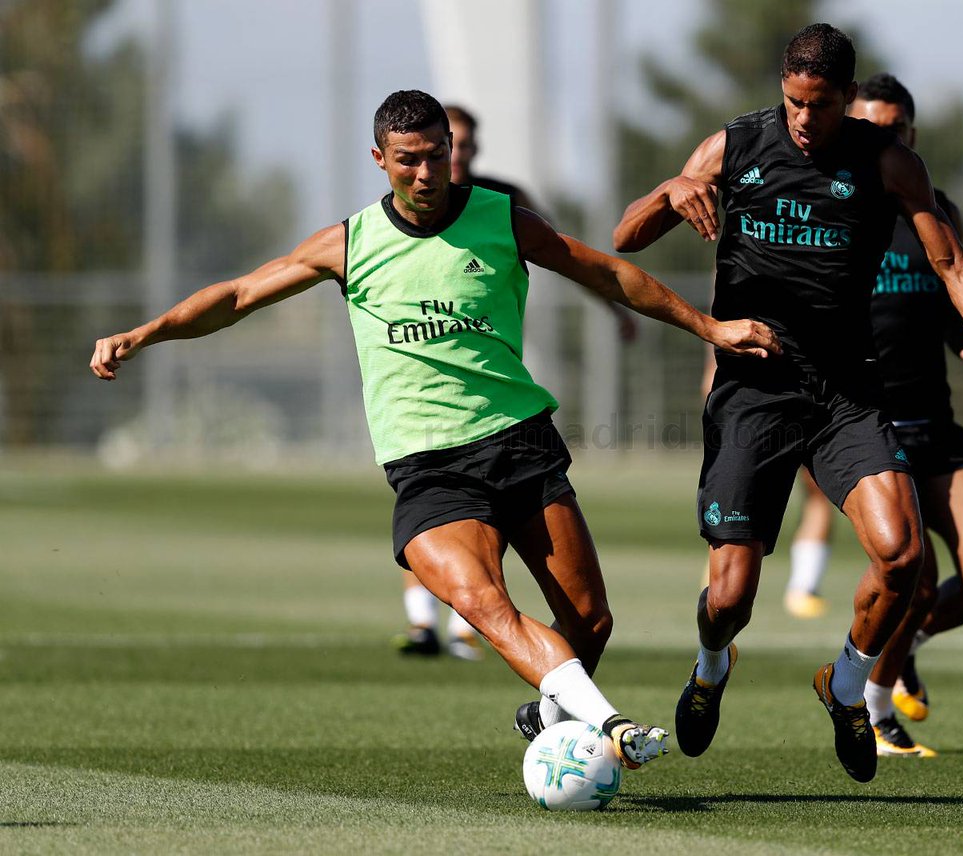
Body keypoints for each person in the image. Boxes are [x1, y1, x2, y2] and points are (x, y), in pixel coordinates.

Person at [90, 89, 782, 770]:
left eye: (437, 157)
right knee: (484, 602)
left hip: (520, 443)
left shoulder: (503, 220)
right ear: (379, 158)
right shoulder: (350, 243)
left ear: (455, 152)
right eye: (408, 160)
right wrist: (144, 334)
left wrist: (709, 326)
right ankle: (613, 726)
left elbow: (606, 272)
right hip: (427, 465)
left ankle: (549, 714)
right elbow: (238, 295)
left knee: (592, 622)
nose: (425, 175)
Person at [613, 24, 963, 783]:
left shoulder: (887, 164)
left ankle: (846, 684)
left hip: (845, 391)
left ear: (848, 99)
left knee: (904, 555)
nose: (804, 121)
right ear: (781, 87)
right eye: (793, 103)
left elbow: (951, 265)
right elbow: (624, 237)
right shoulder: (733, 148)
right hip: (754, 388)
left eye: (820, 106)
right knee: (730, 595)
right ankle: (712, 666)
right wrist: (668, 193)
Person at [394, 102, 636, 662]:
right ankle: (423, 622)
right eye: (415, 156)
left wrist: (615, 310)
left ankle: (465, 634)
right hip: (424, 414)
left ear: (458, 146)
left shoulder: (502, 204)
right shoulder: (390, 219)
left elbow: (569, 254)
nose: (438, 164)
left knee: (511, 550)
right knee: (431, 511)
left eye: (457, 147)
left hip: (500, 408)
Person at [846, 74, 963, 758]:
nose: (887, 139)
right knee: (913, 580)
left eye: (898, 129)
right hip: (867, 429)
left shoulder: (934, 207)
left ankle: (905, 645)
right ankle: (870, 705)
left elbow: (948, 299)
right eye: (873, 128)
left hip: (936, 423)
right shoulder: (834, 210)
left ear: (911, 137)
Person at [701, 349, 836, 620]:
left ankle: (804, 586)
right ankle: (717, 583)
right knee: (736, 499)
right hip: (756, 398)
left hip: (813, 392)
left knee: (817, 490)